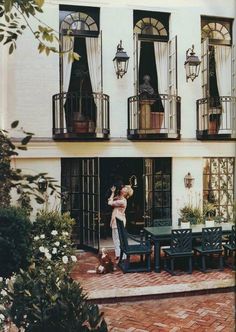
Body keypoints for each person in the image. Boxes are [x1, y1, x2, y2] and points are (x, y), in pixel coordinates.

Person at [108, 185, 133, 261]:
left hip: (118, 221)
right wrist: (113, 195)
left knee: (118, 239)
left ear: (125, 192)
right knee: (116, 238)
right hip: (116, 220)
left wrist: (112, 194)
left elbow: (110, 202)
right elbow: (110, 199)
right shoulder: (120, 198)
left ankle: (123, 256)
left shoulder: (122, 201)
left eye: (124, 188)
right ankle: (118, 254)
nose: (122, 188)